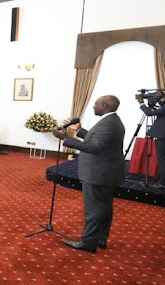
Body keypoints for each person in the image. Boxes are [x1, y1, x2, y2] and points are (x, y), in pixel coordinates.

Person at [51, 95, 125, 253]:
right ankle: (100, 238)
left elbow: (93, 147)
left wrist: (65, 138)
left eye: (96, 104)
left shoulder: (108, 124)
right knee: (104, 206)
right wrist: (78, 130)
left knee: (94, 208)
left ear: (104, 105)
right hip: (107, 171)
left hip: (99, 172)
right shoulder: (112, 121)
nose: (93, 106)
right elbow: (97, 140)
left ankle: (88, 242)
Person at [137, 89, 165, 189]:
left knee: (164, 160)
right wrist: (161, 100)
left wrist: (141, 103)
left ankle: (163, 183)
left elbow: (149, 113)